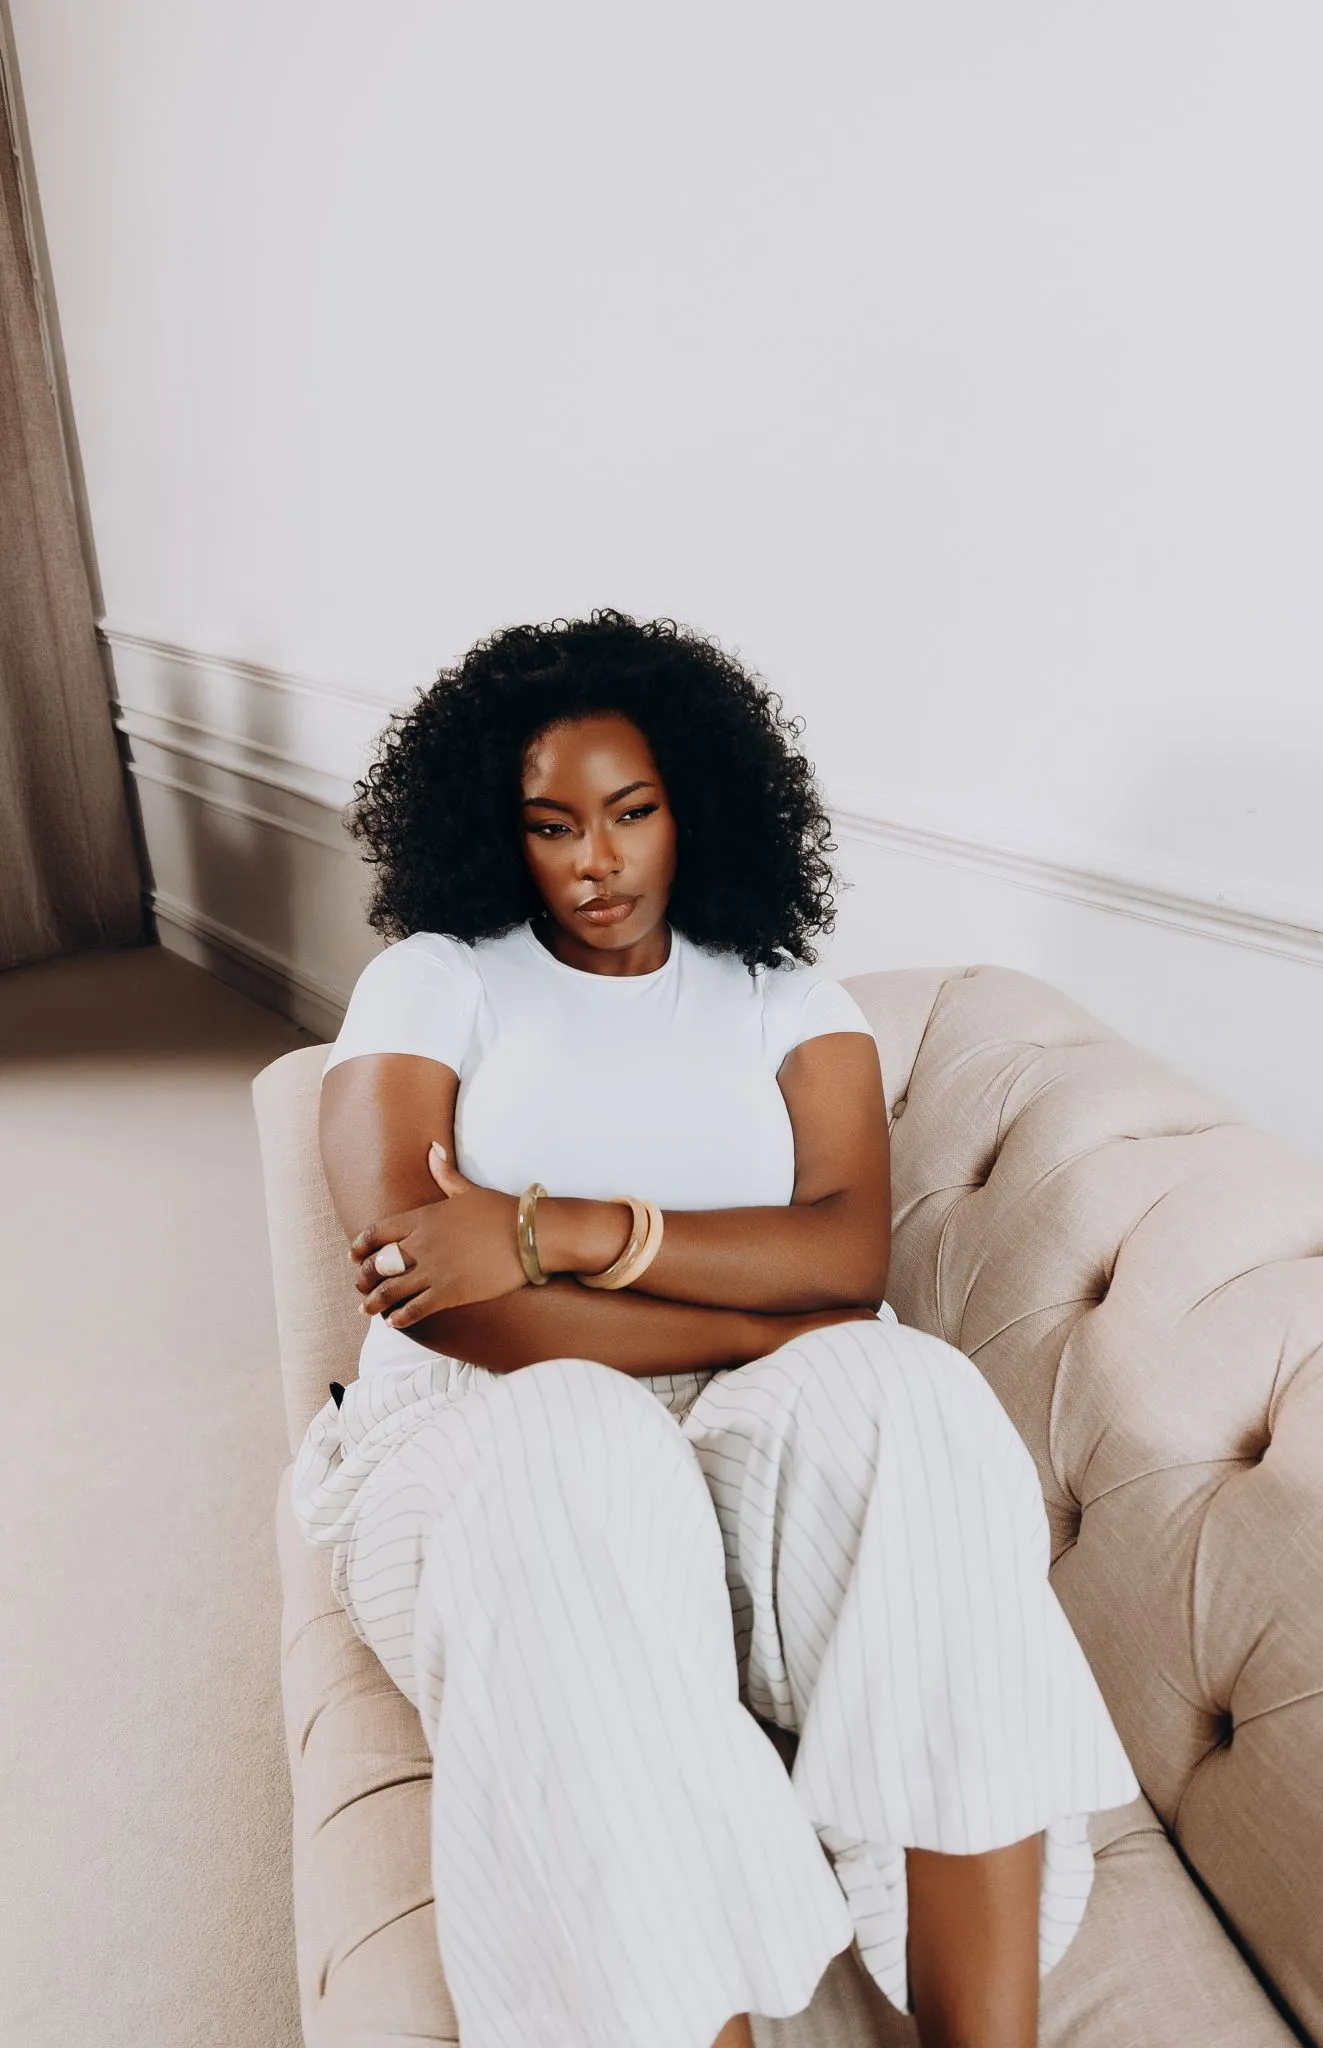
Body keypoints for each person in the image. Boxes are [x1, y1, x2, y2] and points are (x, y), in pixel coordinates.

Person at [291, 609, 1139, 2048]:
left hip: (744, 1437)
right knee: (576, 1447)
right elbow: (428, 1294)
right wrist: (748, 1322)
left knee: (913, 1390)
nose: (597, 861)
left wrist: (545, 1228)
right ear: (500, 832)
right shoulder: (437, 978)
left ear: (698, 804)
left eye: (631, 813)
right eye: (552, 825)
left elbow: (844, 1253)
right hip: (481, 1436)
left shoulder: (783, 1000)